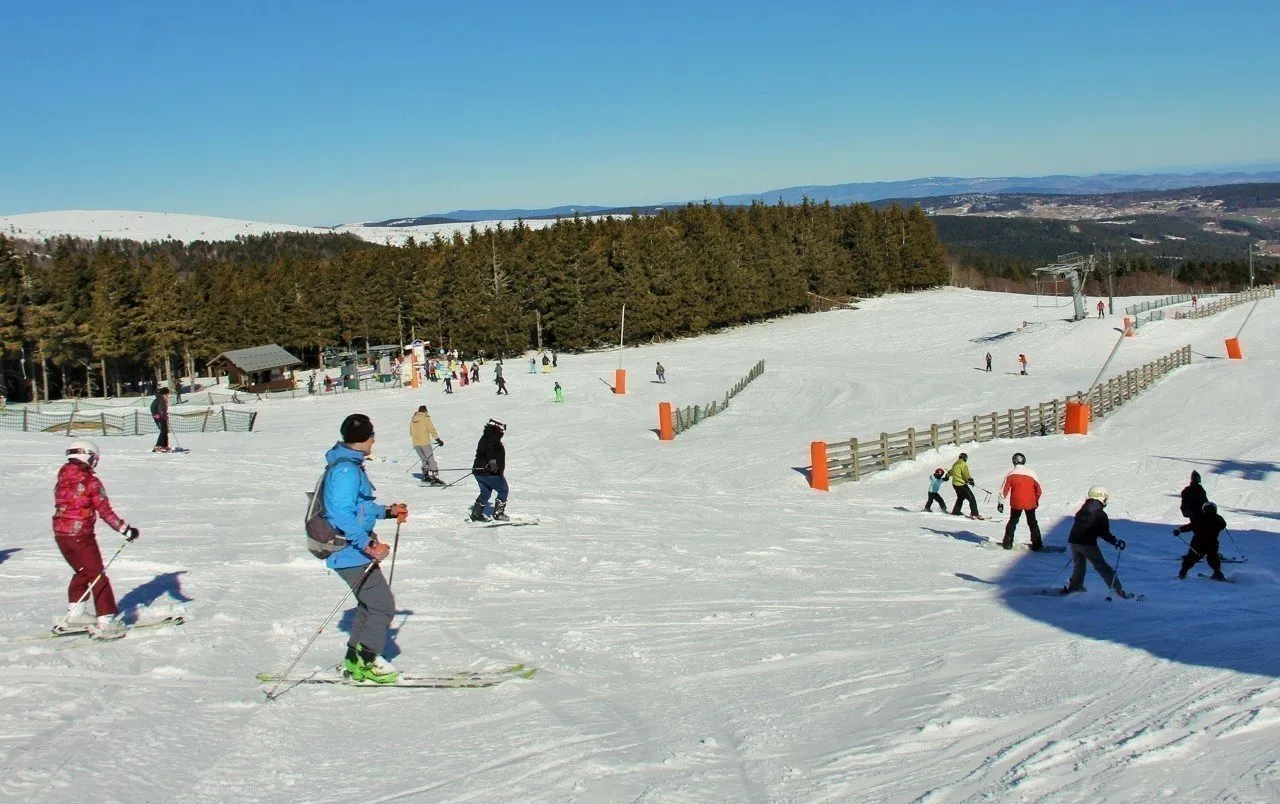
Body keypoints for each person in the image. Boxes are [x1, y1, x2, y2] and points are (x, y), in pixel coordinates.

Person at [322, 414, 408, 683]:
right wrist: (369, 545)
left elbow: (360, 507)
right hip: (347, 549)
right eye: (373, 437)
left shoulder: (348, 465)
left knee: (370, 604)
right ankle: (368, 662)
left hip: (352, 549)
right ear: (367, 439)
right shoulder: (346, 470)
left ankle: (355, 660)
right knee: (382, 605)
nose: (374, 442)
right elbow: (341, 514)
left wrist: (387, 511)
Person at [52, 440, 140, 639]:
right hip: (81, 536)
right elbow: (105, 511)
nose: (95, 464)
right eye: (95, 460)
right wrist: (126, 530)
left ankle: (76, 613)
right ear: (88, 457)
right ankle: (106, 619)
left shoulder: (62, 478)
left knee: (83, 572)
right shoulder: (90, 482)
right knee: (97, 575)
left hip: (61, 535)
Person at [1062, 486, 1127, 596]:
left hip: (1073, 542)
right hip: (1087, 544)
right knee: (1101, 566)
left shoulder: (1081, 510)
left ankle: (1075, 587)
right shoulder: (1100, 514)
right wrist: (1115, 542)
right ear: (1101, 498)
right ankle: (1118, 591)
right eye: (1105, 498)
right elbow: (1104, 533)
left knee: (1079, 565)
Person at [998, 452, 1043, 550]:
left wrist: (1000, 502)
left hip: (1016, 502)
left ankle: (1007, 542)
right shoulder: (1031, 473)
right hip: (1030, 502)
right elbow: (1038, 489)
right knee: (1032, 522)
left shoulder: (1011, 474)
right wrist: (1036, 500)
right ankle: (1037, 544)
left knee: (1013, 522)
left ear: (1013, 461)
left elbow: (1004, 489)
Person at [1175, 501, 1228, 581]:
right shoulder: (1218, 518)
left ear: (1204, 509)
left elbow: (1191, 526)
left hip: (1198, 543)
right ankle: (1217, 573)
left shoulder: (1199, 518)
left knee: (1191, 558)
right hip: (1211, 542)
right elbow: (1223, 525)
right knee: (1213, 557)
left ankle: (1183, 572)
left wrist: (1179, 530)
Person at [470, 418, 509, 522]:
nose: (502, 430)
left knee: (485, 492)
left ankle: (476, 513)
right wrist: (492, 464)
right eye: (502, 427)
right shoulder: (493, 436)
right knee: (503, 489)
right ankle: (498, 514)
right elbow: (489, 451)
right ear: (497, 426)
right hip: (488, 472)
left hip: (479, 471)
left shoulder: (487, 435)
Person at [409, 405, 445, 486]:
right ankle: (434, 477)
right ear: (425, 411)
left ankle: (426, 476)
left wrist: (416, 439)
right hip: (425, 443)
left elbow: (411, 432)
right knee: (430, 458)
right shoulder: (425, 419)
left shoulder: (412, 419)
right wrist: (438, 439)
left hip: (416, 443)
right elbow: (431, 429)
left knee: (424, 459)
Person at [947, 453, 981, 519]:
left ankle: (956, 511)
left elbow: (951, 472)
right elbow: (966, 473)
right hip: (960, 484)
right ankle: (974, 514)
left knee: (961, 497)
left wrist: (947, 476)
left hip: (955, 484)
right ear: (965, 458)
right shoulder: (963, 464)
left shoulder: (955, 464)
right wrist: (970, 479)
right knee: (972, 498)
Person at [150, 387, 171, 452]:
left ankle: (164, 445)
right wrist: (155, 415)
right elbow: (152, 408)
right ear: (163, 394)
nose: (168, 395)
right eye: (167, 394)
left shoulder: (163, 400)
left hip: (163, 418)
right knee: (163, 431)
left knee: (165, 431)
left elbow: (163, 409)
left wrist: (165, 414)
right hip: (159, 418)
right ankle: (158, 445)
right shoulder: (158, 399)